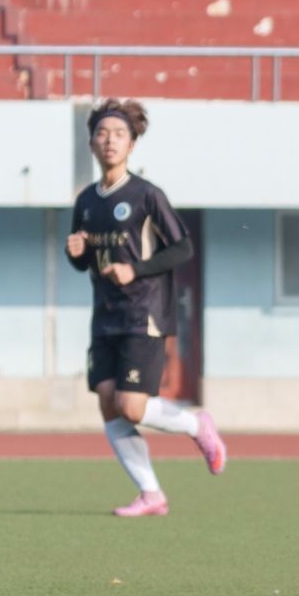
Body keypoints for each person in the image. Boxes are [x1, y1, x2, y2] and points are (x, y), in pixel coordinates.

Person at [66, 99, 226, 517]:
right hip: (105, 316)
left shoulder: (147, 195)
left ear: (132, 145)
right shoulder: (86, 201)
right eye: (102, 133)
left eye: (119, 134)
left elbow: (183, 248)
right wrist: (76, 253)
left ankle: (197, 425)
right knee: (107, 400)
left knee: (132, 406)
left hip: (144, 313)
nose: (110, 140)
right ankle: (151, 493)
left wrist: (134, 270)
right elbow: (86, 262)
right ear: (91, 143)